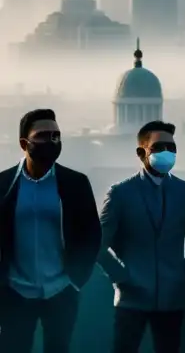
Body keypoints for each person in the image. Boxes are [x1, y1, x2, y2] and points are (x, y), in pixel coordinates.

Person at [97, 121, 185, 353]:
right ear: (141, 152)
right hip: (131, 299)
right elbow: (98, 243)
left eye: (171, 147)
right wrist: (121, 276)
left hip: (172, 298)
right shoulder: (120, 193)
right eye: (159, 147)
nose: (167, 153)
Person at [0, 108, 101, 353]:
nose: (52, 141)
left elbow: (91, 234)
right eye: (44, 136)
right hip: (15, 291)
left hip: (60, 291)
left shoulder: (75, 183)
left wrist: (76, 280)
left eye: (56, 135)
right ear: (25, 143)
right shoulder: (3, 184)